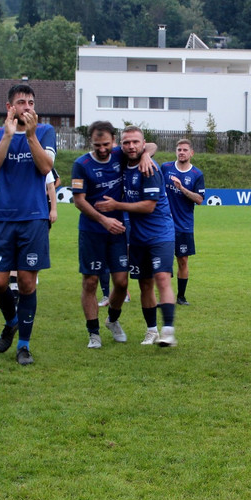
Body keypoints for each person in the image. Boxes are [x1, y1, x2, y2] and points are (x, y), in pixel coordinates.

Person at [0, 83, 56, 366]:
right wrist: (8, 135)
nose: (27, 107)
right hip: (2, 218)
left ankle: (24, 346)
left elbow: (45, 167)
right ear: (9, 107)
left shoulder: (45, 131)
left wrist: (30, 135)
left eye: (31, 102)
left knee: (26, 283)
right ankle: (11, 320)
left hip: (34, 218)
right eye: (21, 102)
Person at [72, 122, 155, 348]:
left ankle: (112, 320)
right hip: (92, 231)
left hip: (117, 231)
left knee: (121, 282)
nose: (102, 149)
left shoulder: (119, 154)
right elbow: (79, 201)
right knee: (90, 282)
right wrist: (104, 220)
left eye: (106, 144)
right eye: (97, 145)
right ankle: (93, 333)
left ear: (114, 142)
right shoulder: (81, 164)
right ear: (91, 142)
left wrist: (146, 155)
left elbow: (150, 145)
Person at [95, 126, 177, 347]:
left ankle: (168, 331)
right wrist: (147, 151)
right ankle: (152, 331)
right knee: (145, 284)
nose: (131, 146)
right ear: (120, 144)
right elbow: (148, 146)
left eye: (136, 142)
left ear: (142, 143)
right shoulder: (122, 159)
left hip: (160, 233)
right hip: (137, 236)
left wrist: (116, 205)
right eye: (126, 142)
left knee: (162, 278)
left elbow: (149, 206)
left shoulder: (149, 169)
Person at [162, 139, 205, 305]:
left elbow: (199, 199)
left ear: (191, 153)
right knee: (164, 262)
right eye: (179, 149)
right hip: (164, 224)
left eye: (185, 150)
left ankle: (181, 296)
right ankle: (165, 296)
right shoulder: (165, 168)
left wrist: (182, 188)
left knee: (183, 261)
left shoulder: (196, 174)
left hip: (184, 225)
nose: (181, 152)